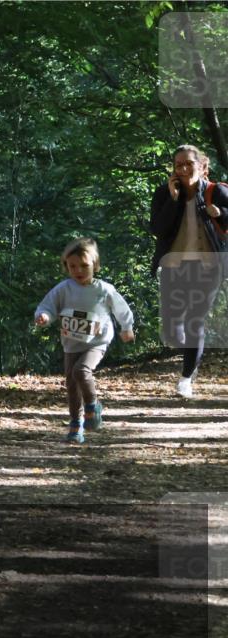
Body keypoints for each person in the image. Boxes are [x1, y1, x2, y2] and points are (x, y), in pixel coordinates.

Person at [35, 238, 135, 444]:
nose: (78, 270)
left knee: (81, 371)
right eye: (72, 266)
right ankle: (76, 425)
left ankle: (92, 405)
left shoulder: (103, 289)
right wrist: (44, 316)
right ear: (66, 267)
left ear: (95, 265)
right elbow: (48, 306)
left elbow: (121, 309)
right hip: (71, 343)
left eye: (84, 265)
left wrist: (127, 328)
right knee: (71, 385)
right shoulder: (64, 289)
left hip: (96, 343)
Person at [149, 144, 228, 398]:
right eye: (178, 165)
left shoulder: (217, 192)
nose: (183, 169)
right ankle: (191, 354)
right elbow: (158, 229)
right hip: (175, 265)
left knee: (196, 320)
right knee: (173, 326)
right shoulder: (164, 193)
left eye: (188, 164)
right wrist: (173, 200)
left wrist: (222, 212)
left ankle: (185, 379)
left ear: (202, 167)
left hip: (208, 266)